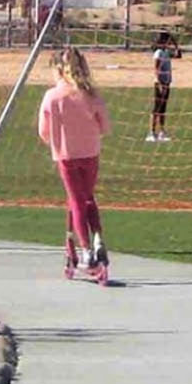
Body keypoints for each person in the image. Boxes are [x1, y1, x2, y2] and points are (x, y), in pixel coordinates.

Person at [37, 47, 111, 282]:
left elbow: (43, 132)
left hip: (66, 155)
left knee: (77, 200)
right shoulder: (91, 95)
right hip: (90, 153)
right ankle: (97, 237)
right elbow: (105, 127)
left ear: (59, 70)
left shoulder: (52, 97)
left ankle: (86, 250)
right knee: (87, 197)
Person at [147, 30, 181, 142]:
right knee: (156, 109)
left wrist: (176, 44)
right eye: (167, 40)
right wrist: (159, 83)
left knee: (163, 109)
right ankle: (151, 133)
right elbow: (156, 69)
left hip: (166, 83)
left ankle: (161, 132)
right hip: (160, 83)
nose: (169, 42)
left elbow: (178, 55)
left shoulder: (166, 52)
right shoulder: (158, 53)